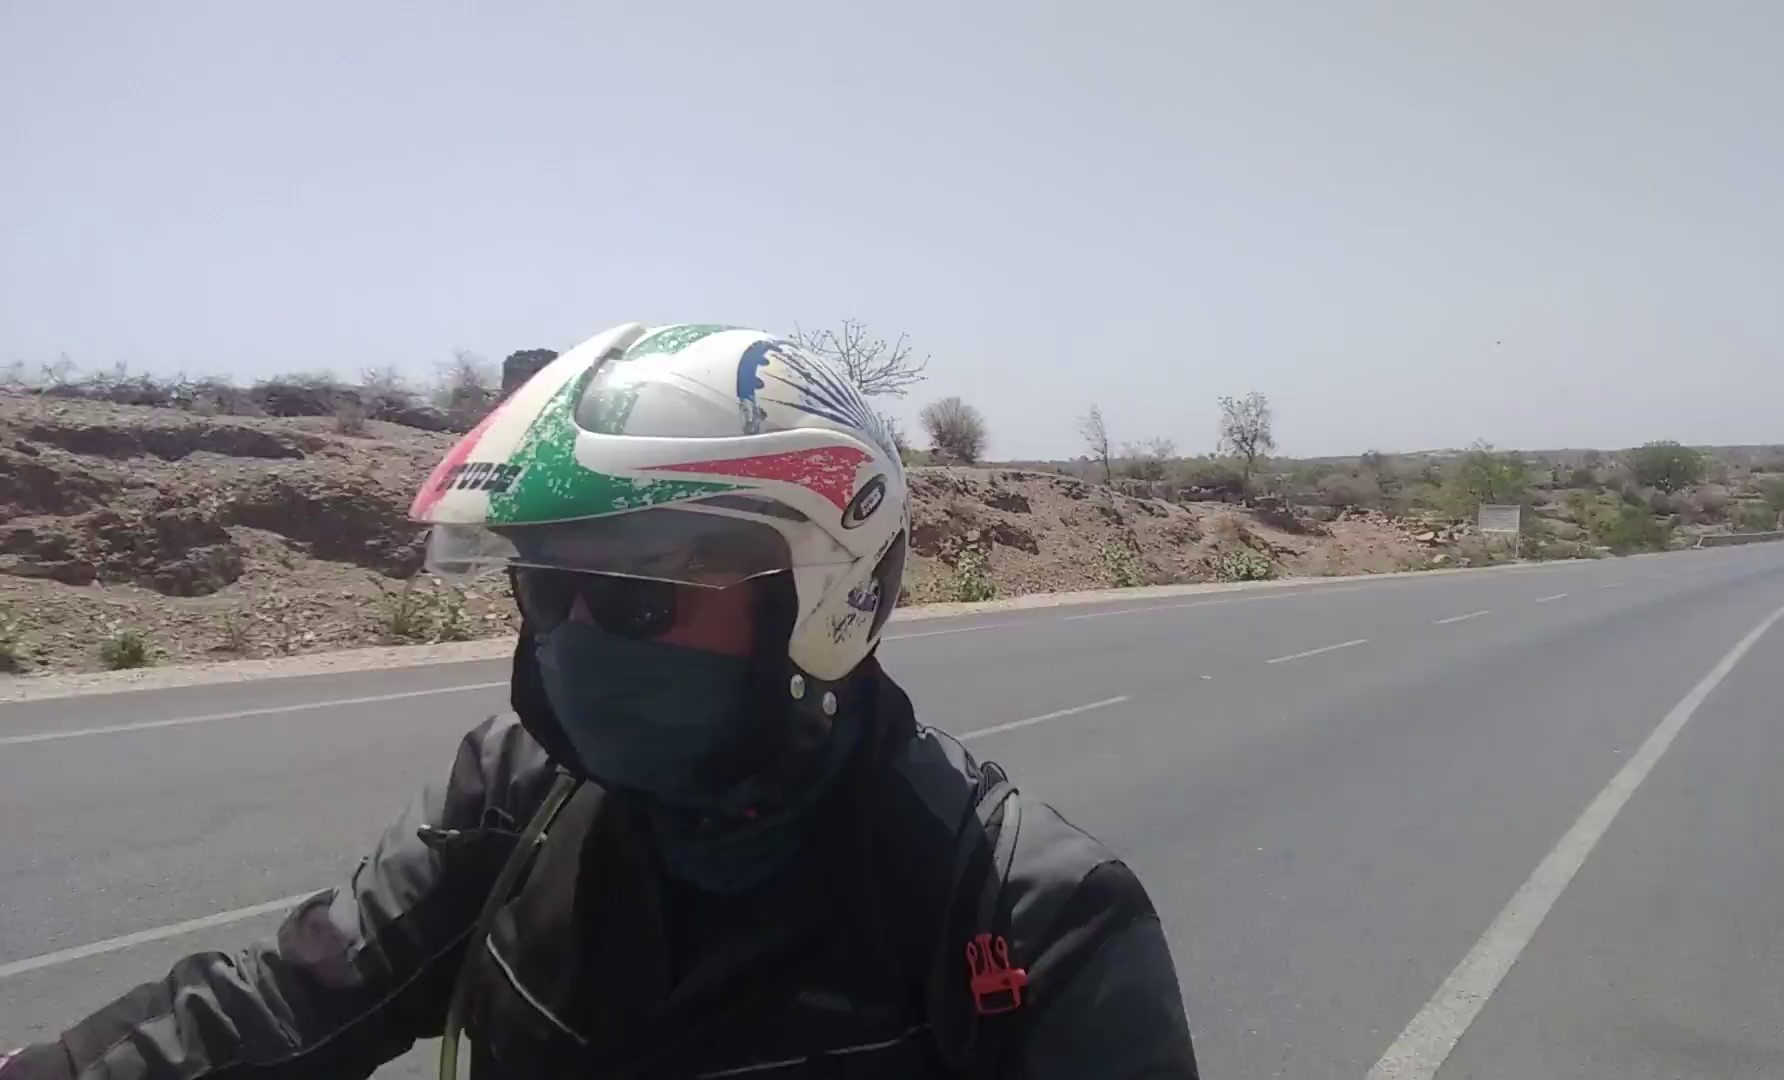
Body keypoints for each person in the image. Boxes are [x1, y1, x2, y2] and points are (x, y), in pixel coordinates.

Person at [0, 323, 1197, 1079]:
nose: (571, 643)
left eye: (633, 600)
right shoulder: (515, 795)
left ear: (822, 598)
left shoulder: (1025, 915)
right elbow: (286, 1003)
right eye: (545, 589)